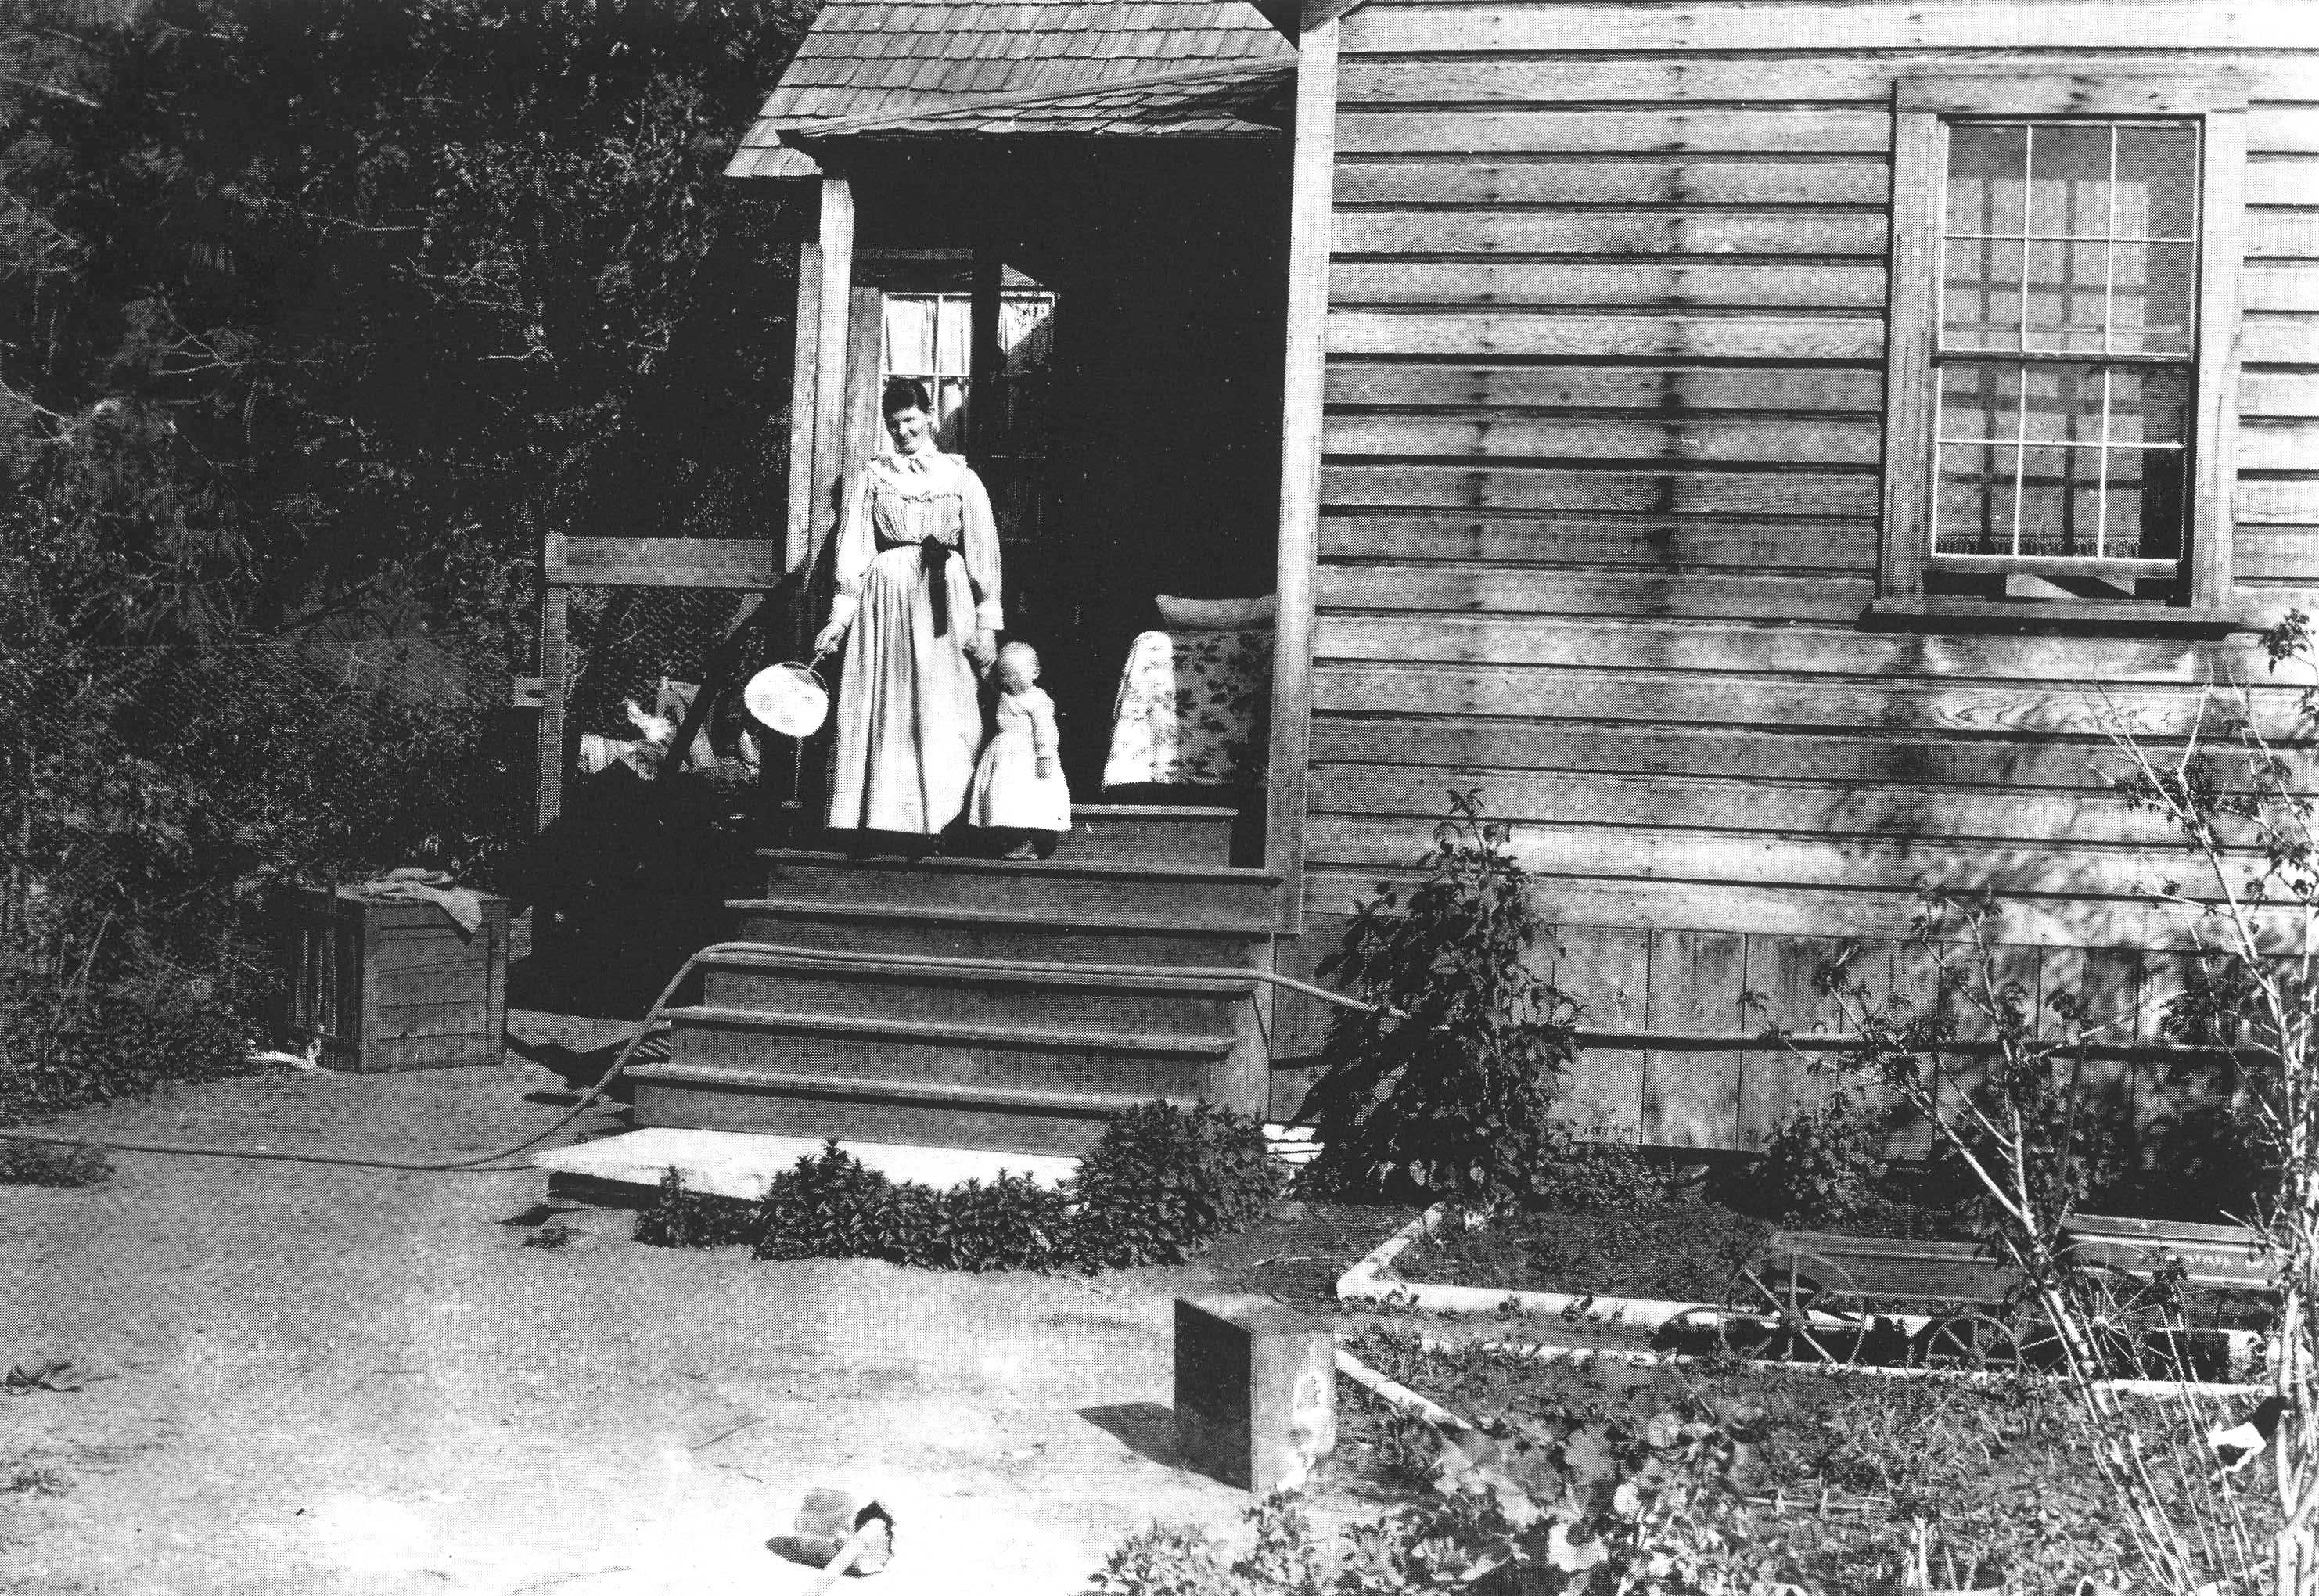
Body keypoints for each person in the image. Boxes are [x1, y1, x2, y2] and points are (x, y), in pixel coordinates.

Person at [812, 378, 1003, 836]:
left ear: (931, 417)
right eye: (893, 424)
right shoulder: (873, 478)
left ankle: (945, 818)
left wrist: (987, 624)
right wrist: (839, 620)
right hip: (886, 600)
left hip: (945, 598)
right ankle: (882, 818)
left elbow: (984, 553)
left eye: (911, 420)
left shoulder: (961, 479)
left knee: (945, 701)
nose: (902, 432)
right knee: (888, 705)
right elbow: (854, 551)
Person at [966, 641, 1070, 858]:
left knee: (1028, 796)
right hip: (1003, 757)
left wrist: (1045, 755)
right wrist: (980, 656)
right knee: (1003, 796)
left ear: (1035, 673)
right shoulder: (1004, 693)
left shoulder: (1037, 699)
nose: (1010, 680)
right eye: (1005, 675)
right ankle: (1011, 838)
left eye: (1017, 675)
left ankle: (1029, 841)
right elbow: (989, 675)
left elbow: (1046, 729)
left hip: (1028, 756)